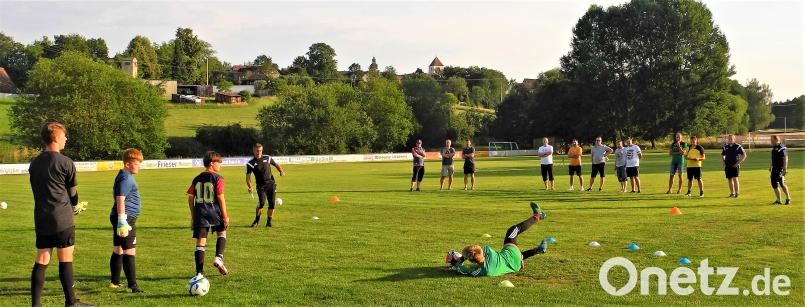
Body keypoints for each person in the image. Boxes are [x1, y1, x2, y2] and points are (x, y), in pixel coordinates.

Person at [28, 122, 94, 307]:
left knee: (42, 259)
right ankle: (71, 302)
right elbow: (72, 191)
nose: (66, 138)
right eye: (64, 135)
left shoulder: (34, 163)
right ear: (56, 137)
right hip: (62, 218)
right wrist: (75, 205)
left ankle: (36, 305)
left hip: (42, 218)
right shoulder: (65, 162)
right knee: (65, 258)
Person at [447, 202, 548, 277]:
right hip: (513, 254)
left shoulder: (486, 272)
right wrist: (462, 258)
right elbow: (477, 251)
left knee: (509, 258)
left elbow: (465, 271)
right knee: (513, 230)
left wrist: (455, 263)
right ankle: (538, 216)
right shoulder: (487, 250)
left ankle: (537, 250)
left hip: (516, 266)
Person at [187, 151, 230, 279]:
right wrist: (225, 215)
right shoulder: (218, 178)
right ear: (212, 163)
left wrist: (193, 214)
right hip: (214, 211)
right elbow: (220, 197)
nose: (220, 165)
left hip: (200, 213)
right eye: (218, 162)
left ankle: (199, 273)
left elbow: (190, 197)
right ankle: (218, 258)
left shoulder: (197, 178)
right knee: (221, 233)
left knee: (200, 243)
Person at [108, 148, 144, 293]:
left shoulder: (124, 175)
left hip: (121, 216)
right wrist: (122, 220)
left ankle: (115, 282)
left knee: (118, 248)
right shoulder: (126, 178)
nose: (139, 166)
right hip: (125, 218)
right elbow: (120, 199)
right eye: (137, 163)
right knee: (129, 251)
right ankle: (133, 285)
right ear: (128, 164)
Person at [246, 143, 286, 227]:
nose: (259, 152)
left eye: (260, 150)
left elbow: (276, 165)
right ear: (253, 151)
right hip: (261, 186)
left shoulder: (268, 158)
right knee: (262, 203)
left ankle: (268, 222)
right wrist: (250, 186)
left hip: (271, 184)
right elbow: (248, 177)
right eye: (257, 151)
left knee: (272, 204)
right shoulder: (250, 163)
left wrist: (281, 171)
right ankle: (256, 221)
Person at [769, 135, 791, 205]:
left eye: (772, 140)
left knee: (782, 184)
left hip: (780, 169)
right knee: (774, 184)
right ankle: (778, 200)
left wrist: (785, 169)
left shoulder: (782, 148)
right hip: (774, 169)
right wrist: (771, 165)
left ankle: (788, 198)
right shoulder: (774, 148)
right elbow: (774, 158)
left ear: (776, 140)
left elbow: (785, 158)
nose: (771, 142)